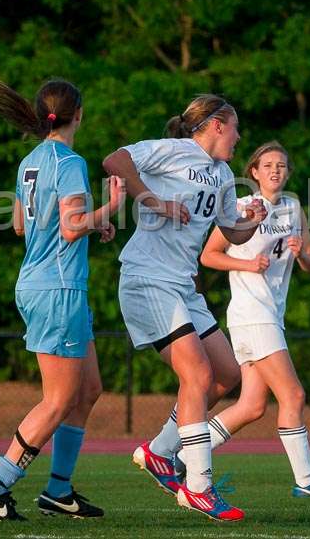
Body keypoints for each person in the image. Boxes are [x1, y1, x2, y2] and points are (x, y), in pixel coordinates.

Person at [102, 95, 267, 522]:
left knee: (227, 375)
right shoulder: (175, 150)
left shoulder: (225, 175)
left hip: (181, 287)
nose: (239, 136)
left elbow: (232, 231)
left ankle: (159, 453)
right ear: (215, 125)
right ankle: (198, 487)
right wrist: (153, 201)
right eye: (235, 127)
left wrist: (254, 218)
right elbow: (115, 160)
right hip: (148, 279)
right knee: (196, 375)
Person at [0, 78, 124, 521]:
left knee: (88, 388)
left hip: (41, 283)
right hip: (58, 289)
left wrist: (93, 224)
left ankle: (58, 490)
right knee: (58, 400)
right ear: (79, 113)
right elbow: (70, 226)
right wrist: (110, 208)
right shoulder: (71, 162)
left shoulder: (30, 162)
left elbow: (21, 224)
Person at [196, 141, 310, 498]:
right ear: (254, 172)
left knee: (251, 406)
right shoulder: (242, 207)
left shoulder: (294, 208)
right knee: (293, 395)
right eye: (267, 165)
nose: (275, 171)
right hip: (253, 316)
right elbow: (209, 256)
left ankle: (186, 455)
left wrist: (302, 256)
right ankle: (307, 483)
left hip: (268, 317)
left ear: (288, 172)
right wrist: (248, 264)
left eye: (281, 165)